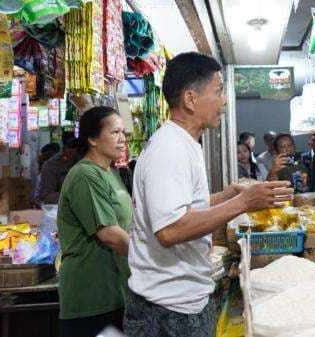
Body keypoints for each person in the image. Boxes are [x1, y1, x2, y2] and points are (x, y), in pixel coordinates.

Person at [125, 52, 293, 337]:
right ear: (191, 100)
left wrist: (229, 194)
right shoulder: (170, 149)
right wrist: (242, 203)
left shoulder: (186, 143)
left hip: (181, 301)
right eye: (218, 92)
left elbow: (186, 208)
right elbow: (169, 229)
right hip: (167, 310)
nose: (224, 101)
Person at [57, 107, 131, 337]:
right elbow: (109, 234)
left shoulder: (110, 172)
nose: (122, 139)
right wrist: (155, 258)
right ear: (92, 139)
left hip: (115, 291)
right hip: (91, 298)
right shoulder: (85, 175)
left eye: (123, 132)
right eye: (115, 132)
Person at [38, 131, 81, 204]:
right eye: (71, 146)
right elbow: (47, 196)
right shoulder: (51, 165)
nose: (74, 151)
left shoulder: (87, 160)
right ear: (64, 147)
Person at [33, 142, 60, 207]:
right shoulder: (40, 176)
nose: (45, 163)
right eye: (43, 160)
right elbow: (37, 197)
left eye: (47, 159)